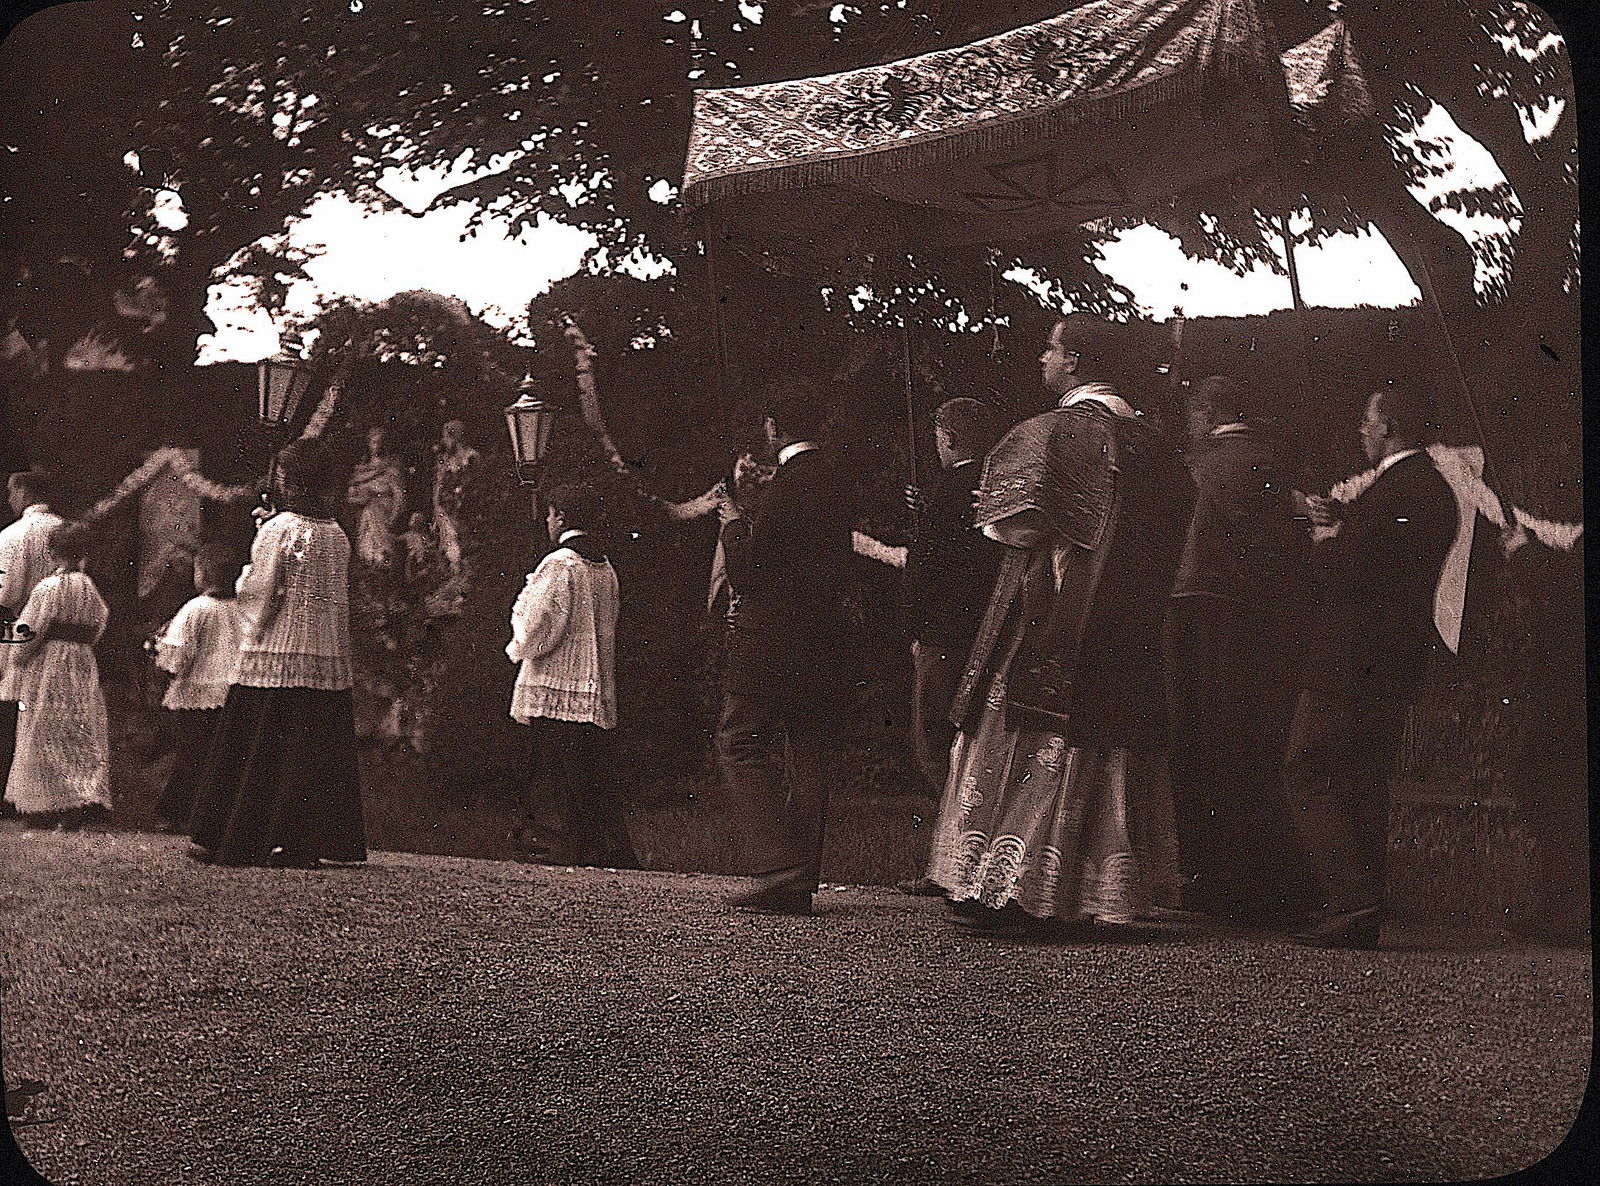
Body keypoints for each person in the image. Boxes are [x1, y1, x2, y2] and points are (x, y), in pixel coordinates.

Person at [923, 314, 1193, 935]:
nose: (1042, 358)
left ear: (1074, 363)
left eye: (1050, 348)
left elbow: (1024, 525)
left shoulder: (1059, 432)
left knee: (1028, 741)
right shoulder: (1155, 445)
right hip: (1128, 626)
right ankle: (1095, 893)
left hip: (1055, 618)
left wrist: (993, 522)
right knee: (1103, 748)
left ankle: (1016, 889)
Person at [1282, 384, 1458, 948]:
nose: (1362, 429)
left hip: (1350, 658)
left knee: (1307, 765)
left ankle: (1350, 899)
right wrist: (1347, 520)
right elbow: (1382, 549)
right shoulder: (1425, 489)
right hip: (1392, 659)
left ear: (1390, 427)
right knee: (1363, 778)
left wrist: (1323, 538)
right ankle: (1361, 906)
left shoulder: (1401, 490)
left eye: (1368, 419)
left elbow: (1351, 572)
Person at [1165, 375, 1309, 924]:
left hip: (1196, 613)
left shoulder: (1196, 466)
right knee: (1251, 748)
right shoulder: (1271, 463)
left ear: (1204, 413)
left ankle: (1212, 883)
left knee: (1200, 745)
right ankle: (1263, 886)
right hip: (1258, 622)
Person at [187, 438, 366, 869]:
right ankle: (299, 840)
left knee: (263, 747)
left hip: (279, 651)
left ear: (290, 480)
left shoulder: (280, 528)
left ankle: (242, 837)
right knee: (307, 750)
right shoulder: (337, 533)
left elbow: (258, 593)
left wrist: (258, 544)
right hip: (324, 656)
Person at [716, 376, 854, 915]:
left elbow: (748, 573)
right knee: (810, 753)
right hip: (825, 641)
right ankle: (801, 876)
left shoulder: (784, 491)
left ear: (773, 428)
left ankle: (779, 866)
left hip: (770, 643)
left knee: (739, 740)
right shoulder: (836, 484)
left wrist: (732, 527)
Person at [896, 398, 1006, 897]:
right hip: (984, 632)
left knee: (934, 745)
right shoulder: (992, 488)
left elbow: (924, 571)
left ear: (949, 438)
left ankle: (950, 862)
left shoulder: (945, 494)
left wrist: (915, 626)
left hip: (943, 635)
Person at [506, 484, 635, 868]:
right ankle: (593, 848)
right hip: (591, 685)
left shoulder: (561, 563)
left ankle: (574, 850)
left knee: (560, 773)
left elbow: (536, 626)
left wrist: (517, 645)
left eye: (550, 515)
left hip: (557, 682)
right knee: (586, 772)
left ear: (560, 516)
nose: (548, 522)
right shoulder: (604, 567)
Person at [1501, 516, 1586, 945]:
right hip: (1565, 692)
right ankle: (1560, 906)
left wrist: (1523, 556)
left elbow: (1568, 595)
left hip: (1568, 695)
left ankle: (1568, 912)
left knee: (1555, 792)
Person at [2, 521, 112, 827]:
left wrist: (20, 659)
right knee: (75, 728)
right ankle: (75, 802)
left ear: (52, 552)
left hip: (50, 663)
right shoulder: (90, 588)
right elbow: (99, 624)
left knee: (44, 728)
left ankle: (47, 805)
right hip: (80, 661)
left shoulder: (50, 587)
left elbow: (32, 630)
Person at [150, 547, 245, 832]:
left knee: (192, 754)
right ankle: (216, 814)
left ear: (202, 574)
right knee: (223, 755)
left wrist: (160, 659)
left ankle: (177, 812)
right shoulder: (242, 609)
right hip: (233, 690)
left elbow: (178, 653)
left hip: (198, 690)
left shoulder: (196, 608)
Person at [0, 469, 67, 799]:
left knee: (13, 709)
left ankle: (11, 792)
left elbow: (7, 592)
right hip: (64, 638)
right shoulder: (66, 530)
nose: (9, 498)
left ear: (24, 491)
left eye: (11, 491)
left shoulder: (13, 535)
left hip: (21, 629)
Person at [345, 426, 408, 570]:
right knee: (366, 549)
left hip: (384, 514)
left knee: (384, 551)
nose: (377, 445)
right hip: (366, 514)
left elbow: (399, 495)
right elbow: (350, 495)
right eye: (374, 442)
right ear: (369, 444)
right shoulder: (362, 470)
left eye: (380, 442)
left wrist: (393, 517)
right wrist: (362, 497)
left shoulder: (391, 469)